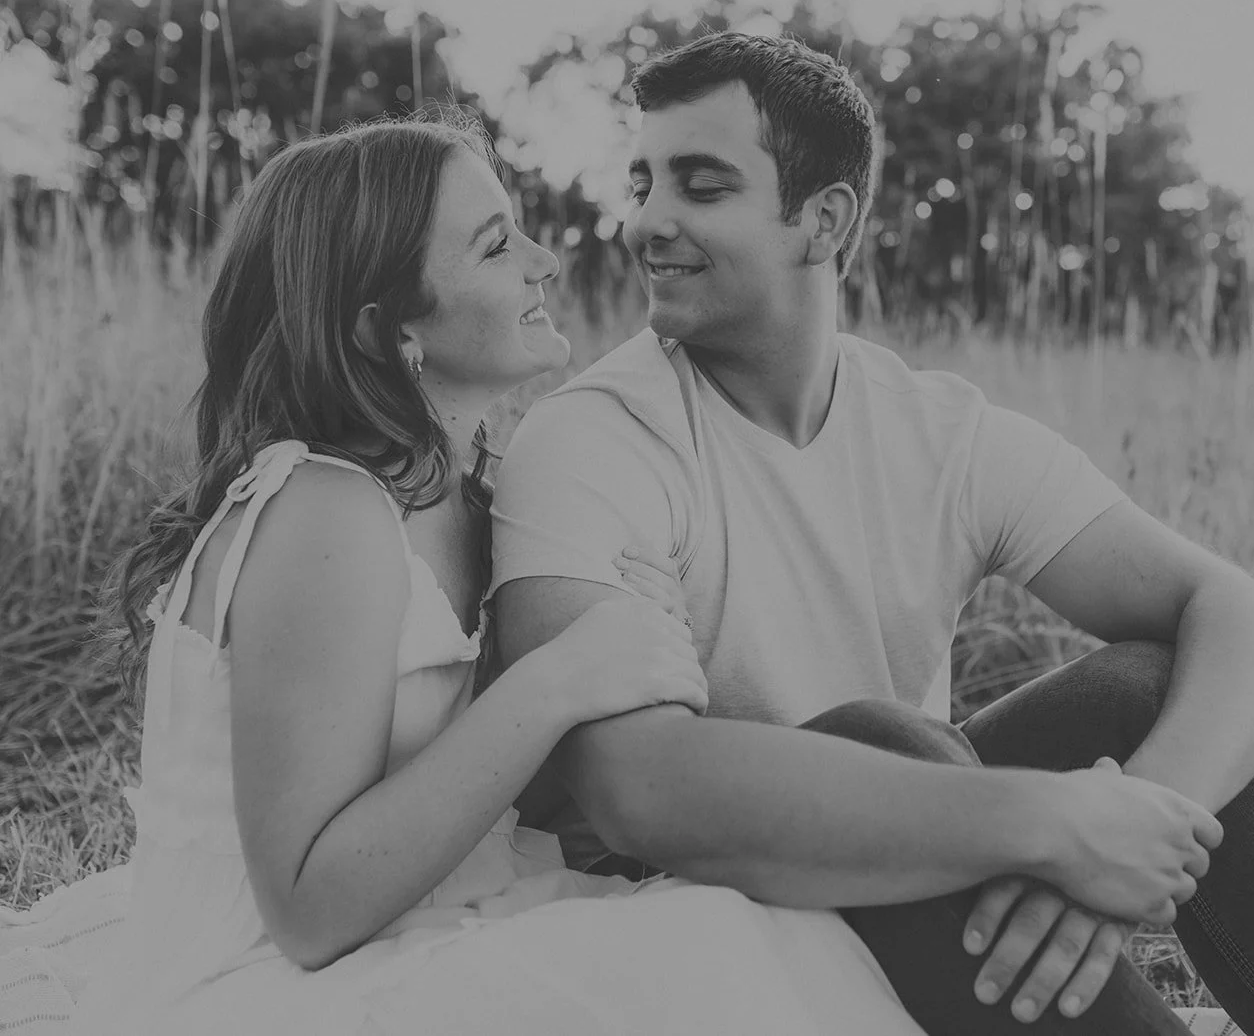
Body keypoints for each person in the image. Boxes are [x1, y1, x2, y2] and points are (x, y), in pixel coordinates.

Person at [489, 32, 1254, 1035]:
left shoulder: (935, 430)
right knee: (881, 742)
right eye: (643, 181)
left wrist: (1134, 822)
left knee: (1134, 688)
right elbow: (634, 789)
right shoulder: (591, 437)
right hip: (682, 915)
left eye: (699, 186)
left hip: (916, 880)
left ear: (822, 220)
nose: (647, 221)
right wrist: (1052, 824)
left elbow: (1243, 616)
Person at [0, 112, 947, 1036]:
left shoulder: (467, 494)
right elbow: (307, 908)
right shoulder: (324, 514)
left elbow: (480, 792)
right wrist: (556, 681)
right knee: (710, 950)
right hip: (281, 977)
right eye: (497, 247)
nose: (547, 259)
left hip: (436, 913)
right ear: (386, 331)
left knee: (759, 914)